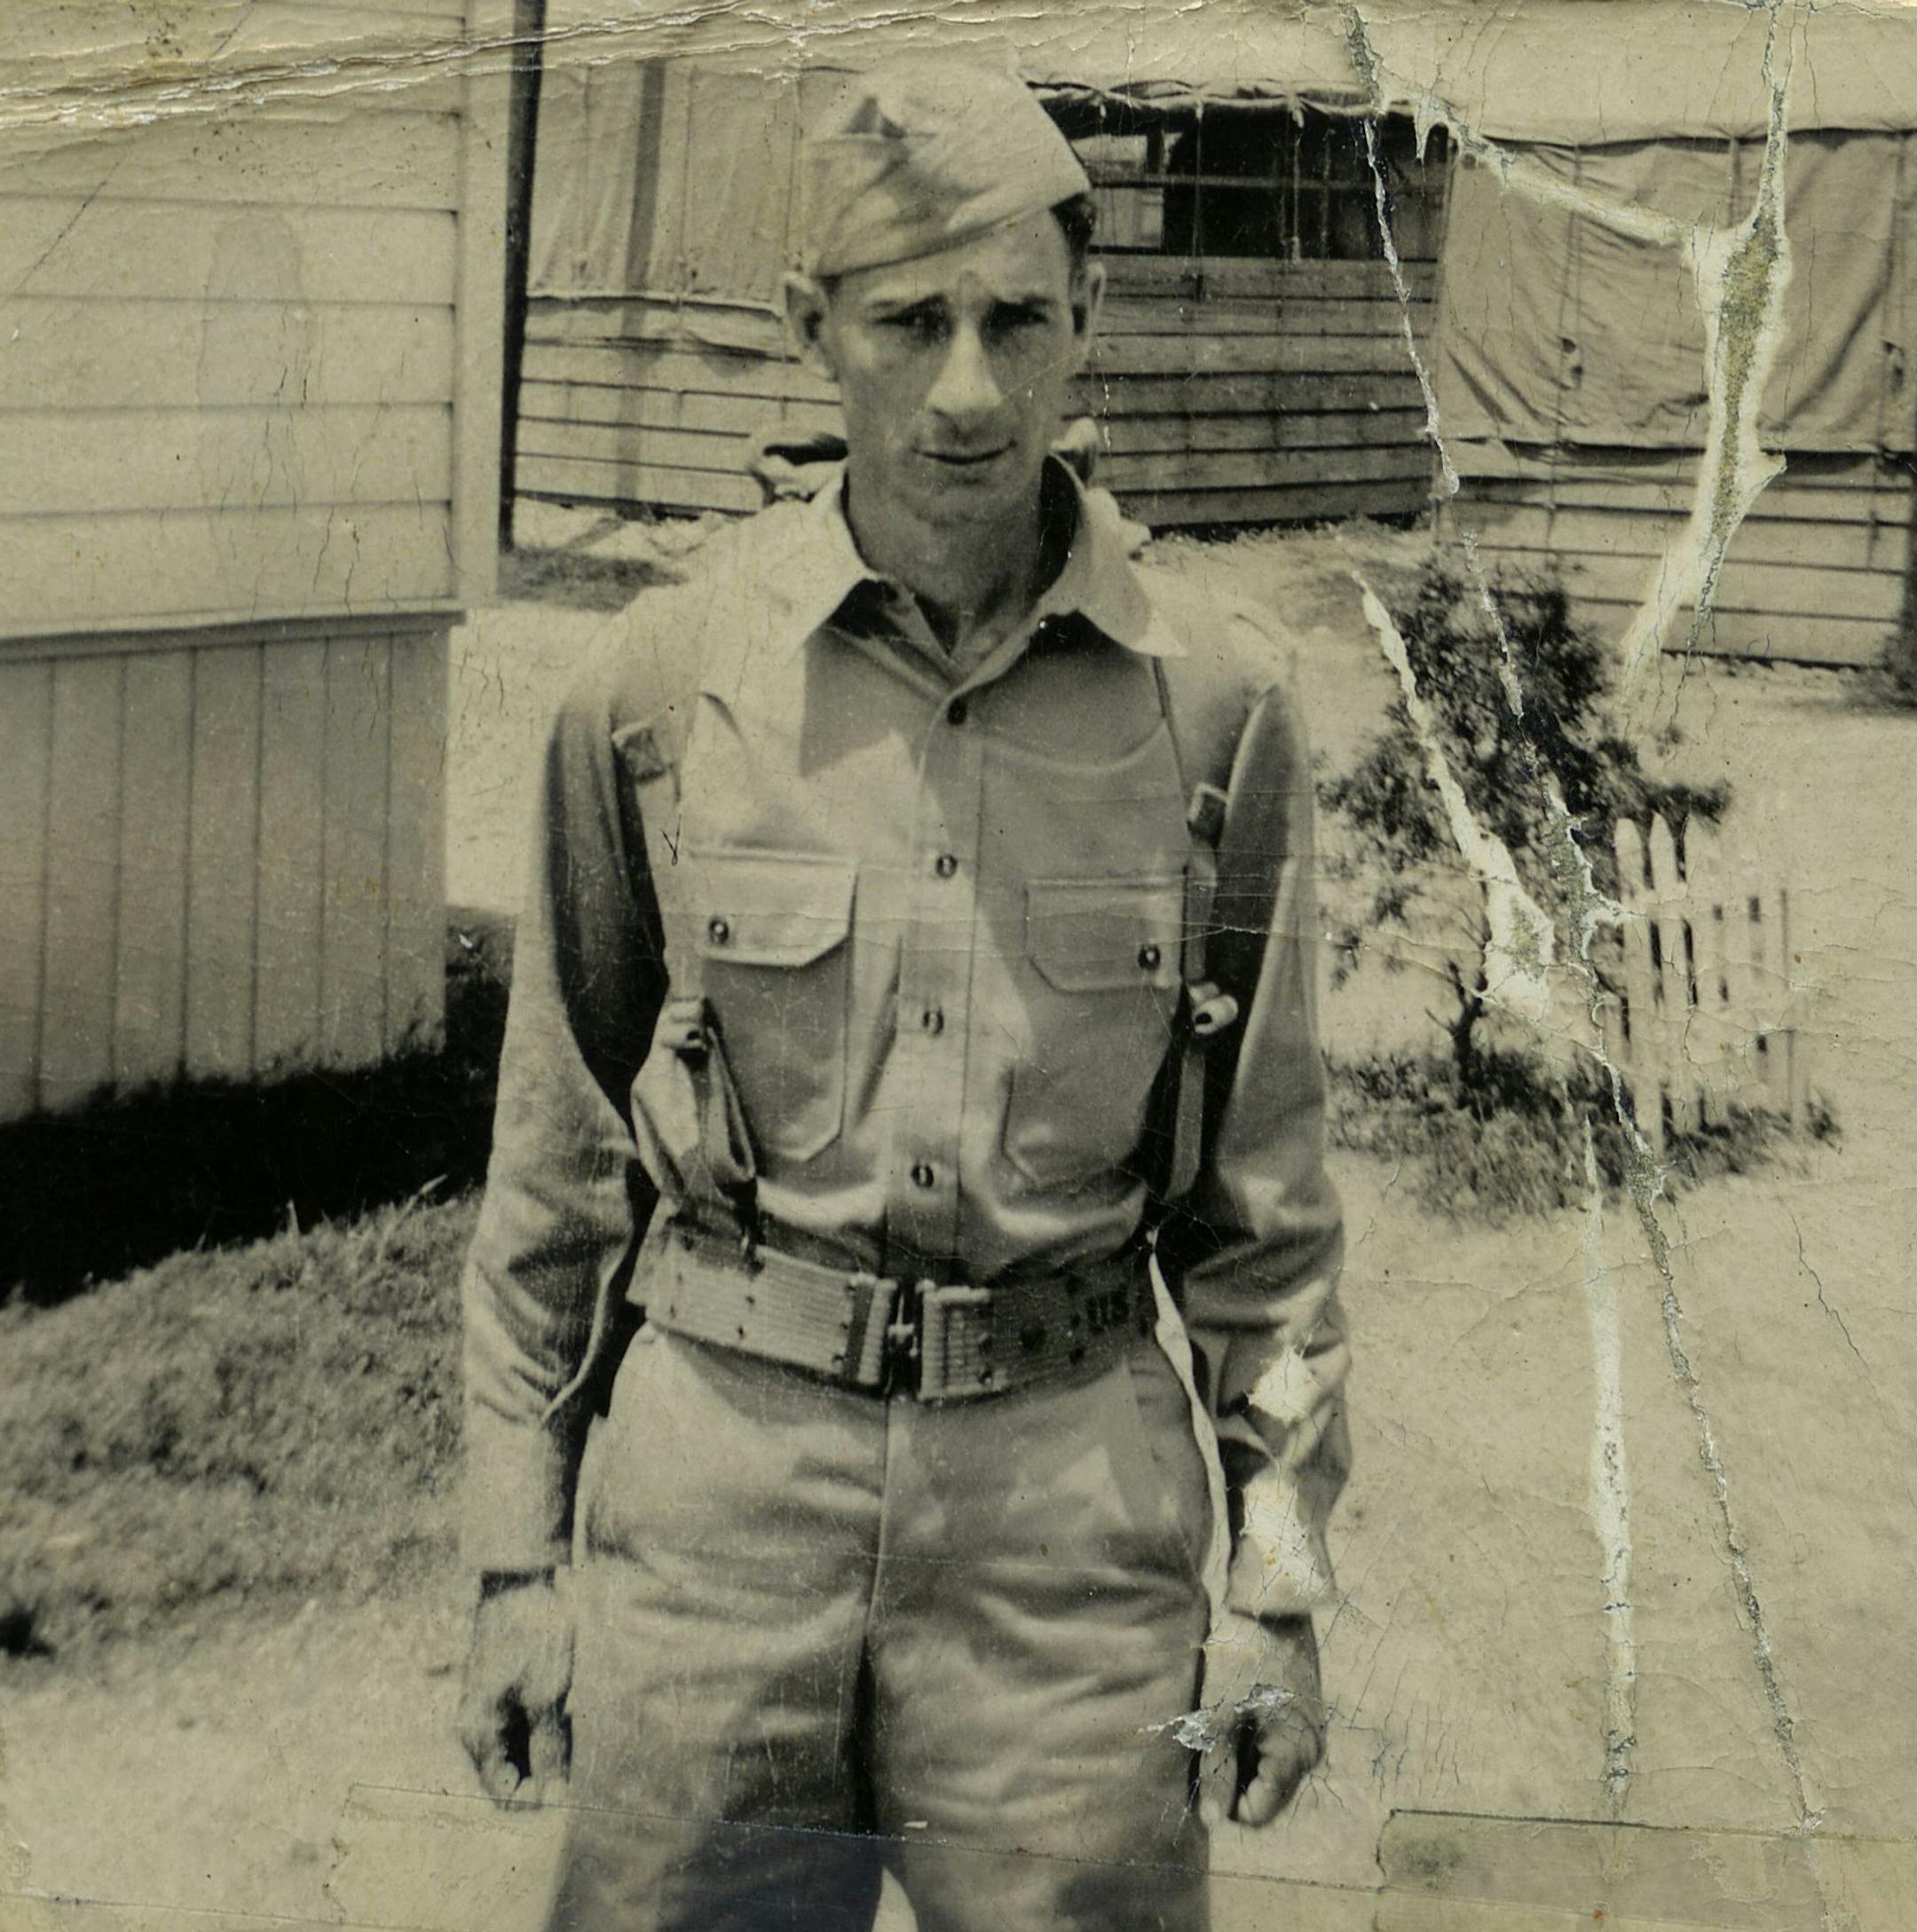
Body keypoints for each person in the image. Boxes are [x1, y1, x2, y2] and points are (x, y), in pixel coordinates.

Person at [455, 53, 1351, 1932]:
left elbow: (1265, 1225)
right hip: (720, 1515)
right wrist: (516, 1562)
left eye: (1017, 321)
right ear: (814, 331)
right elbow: (555, 1170)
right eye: (909, 322)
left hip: (1066, 1538)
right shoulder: (662, 688)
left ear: (1087, 323)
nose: (966, 388)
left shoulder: (1218, 704)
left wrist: (1274, 1587)